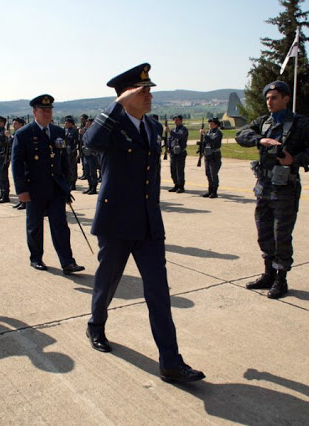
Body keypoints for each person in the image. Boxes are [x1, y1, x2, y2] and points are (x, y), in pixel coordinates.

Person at [83, 63, 205, 384]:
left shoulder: (152, 127)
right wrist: (117, 104)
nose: (150, 95)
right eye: (143, 91)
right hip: (116, 221)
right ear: (127, 95)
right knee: (107, 282)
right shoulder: (111, 124)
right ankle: (96, 324)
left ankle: (170, 361)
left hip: (149, 223)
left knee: (158, 292)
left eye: (150, 89)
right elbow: (91, 142)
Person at [235, 81, 309, 299]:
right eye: (267, 98)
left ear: (286, 98)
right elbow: (240, 134)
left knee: (281, 235)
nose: (269, 102)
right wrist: (260, 139)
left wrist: (295, 160)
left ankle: (281, 279)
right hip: (264, 188)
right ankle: (268, 273)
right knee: (264, 232)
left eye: (274, 97)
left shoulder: (300, 124)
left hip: (285, 189)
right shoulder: (263, 122)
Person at [11, 94, 85, 275]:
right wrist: (21, 190)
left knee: (60, 225)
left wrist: (66, 187)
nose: (47, 113)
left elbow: (64, 162)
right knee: (35, 226)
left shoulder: (59, 132)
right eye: (43, 110)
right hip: (34, 188)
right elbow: (17, 164)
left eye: (50, 109)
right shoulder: (24, 134)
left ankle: (67, 262)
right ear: (34, 112)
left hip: (56, 188)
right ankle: (36, 258)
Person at [200, 117, 223, 198]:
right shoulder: (209, 132)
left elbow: (212, 141)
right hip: (208, 154)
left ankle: (214, 191)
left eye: (212, 124)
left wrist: (204, 135)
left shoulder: (218, 133)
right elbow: (205, 142)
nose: (210, 125)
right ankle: (210, 190)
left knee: (213, 174)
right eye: (209, 123)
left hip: (214, 155)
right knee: (208, 173)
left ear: (216, 125)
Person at [165, 114, 188, 193]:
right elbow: (169, 139)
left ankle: (181, 186)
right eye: (174, 120)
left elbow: (180, 136)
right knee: (173, 170)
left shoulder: (183, 129)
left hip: (180, 153)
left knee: (179, 170)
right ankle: (176, 184)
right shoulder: (174, 130)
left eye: (177, 119)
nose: (175, 121)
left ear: (181, 120)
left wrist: (170, 131)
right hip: (173, 153)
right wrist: (168, 147)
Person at [9, 116, 27, 210]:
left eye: (16, 123)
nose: (14, 125)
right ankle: (21, 201)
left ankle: (24, 203)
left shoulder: (24, 134)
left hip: (23, 162)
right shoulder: (16, 133)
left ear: (21, 124)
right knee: (18, 181)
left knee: (23, 182)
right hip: (16, 159)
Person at [63, 116, 79, 191]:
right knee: (67, 167)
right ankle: (68, 181)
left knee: (73, 167)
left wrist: (74, 150)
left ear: (70, 123)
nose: (65, 123)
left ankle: (73, 183)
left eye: (67, 122)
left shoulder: (75, 131)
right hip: (66, 151)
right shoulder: (64, 130)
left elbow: (77, 141)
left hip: (72, 151)